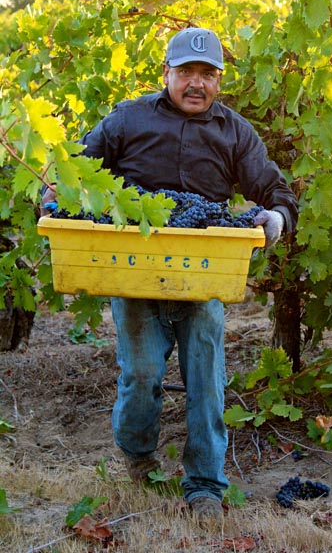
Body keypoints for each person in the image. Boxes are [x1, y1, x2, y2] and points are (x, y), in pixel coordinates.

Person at [41, 27, 298, 524]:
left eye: (207, 74)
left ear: (219, 81)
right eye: (186, 72)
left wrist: (276, 220)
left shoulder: (236, 132)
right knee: (140, 376)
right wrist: (53, 197)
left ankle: (205, 484)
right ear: (167, 74)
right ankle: (138, 457)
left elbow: (275, 190)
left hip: (203, 276)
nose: (196, 83)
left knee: (207, 381)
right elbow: (75, 172)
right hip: (133, 271)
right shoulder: (128, 118)